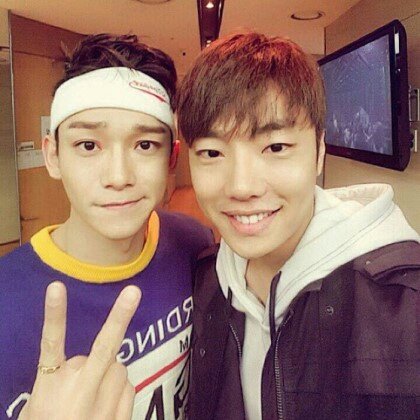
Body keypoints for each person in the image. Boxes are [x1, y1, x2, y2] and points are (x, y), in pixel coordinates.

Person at [176, 32, 420, 419]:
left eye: (276, 147)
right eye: (212, 152)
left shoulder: (404, 304)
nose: (242, 187)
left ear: (320, 151)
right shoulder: (205, 281)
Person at [0, 33, 213, 420]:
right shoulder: (5, 304)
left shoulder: (193, 243)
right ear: (53, 156)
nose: (118, 177)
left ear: (171, 159)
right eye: (88, 145)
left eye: (145, 145)